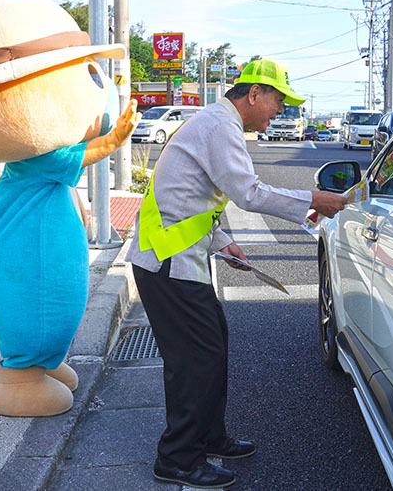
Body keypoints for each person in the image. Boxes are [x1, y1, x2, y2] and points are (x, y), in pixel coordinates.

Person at [125, 59, 349, 489]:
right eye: (277, 102)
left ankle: (208, 437)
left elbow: (188, 198)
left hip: (176, 256)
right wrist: (314, 199)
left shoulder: (216, 123)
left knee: (212, 345)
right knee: (195, 358)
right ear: (253, 94)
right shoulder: (219, 127)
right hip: (166, 261)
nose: (278, 113)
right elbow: (248, 192)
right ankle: (177, 458)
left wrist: (221, 241)